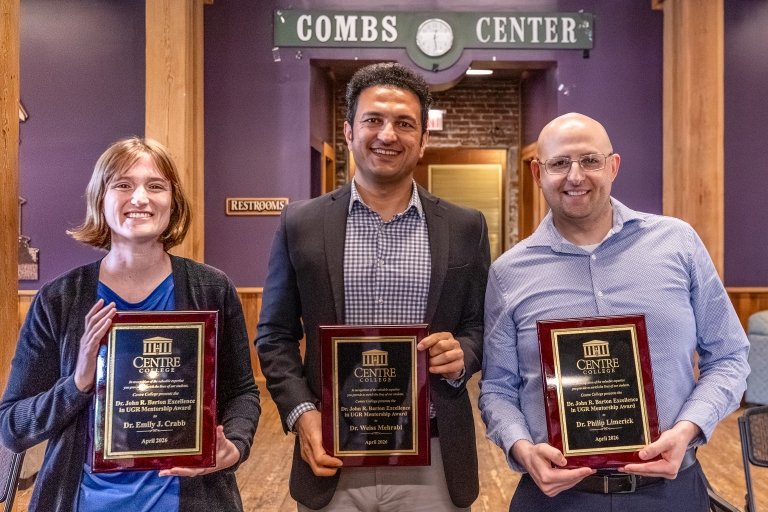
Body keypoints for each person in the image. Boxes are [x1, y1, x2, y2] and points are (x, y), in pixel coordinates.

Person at [479, 112, 750, 511]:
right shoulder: (508, 273)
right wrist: (521, 448)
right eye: (559, 163)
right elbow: (498, 388)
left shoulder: (678, 244)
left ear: (613, 166)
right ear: (538, 173)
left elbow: (729, 357)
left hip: (670, 492)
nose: (575, 176)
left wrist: (689, 428)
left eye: (590, 160)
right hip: (556, 499)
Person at [256, 62, 490, 511]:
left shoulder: (465, 227)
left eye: (405, 123)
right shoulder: (300, 224)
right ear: (348, 131)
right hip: (330, 453)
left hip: (434, 455)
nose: (388, 135)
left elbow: (479, 325)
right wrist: (302, 415)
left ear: (423, 139)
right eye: (373, 120)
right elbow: (275, 336)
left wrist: (463, 355)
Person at [0, 137, 261, 511]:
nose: (140, 198)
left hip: (187, 501)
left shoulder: (211, 289)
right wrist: (78, 382)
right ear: (100, 198)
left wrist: (233, 445)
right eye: (123, 184)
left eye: (155, 185)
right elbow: (12, 426)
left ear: (173, 202)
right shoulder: (59, 299)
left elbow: (242, 393)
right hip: (85, 501)